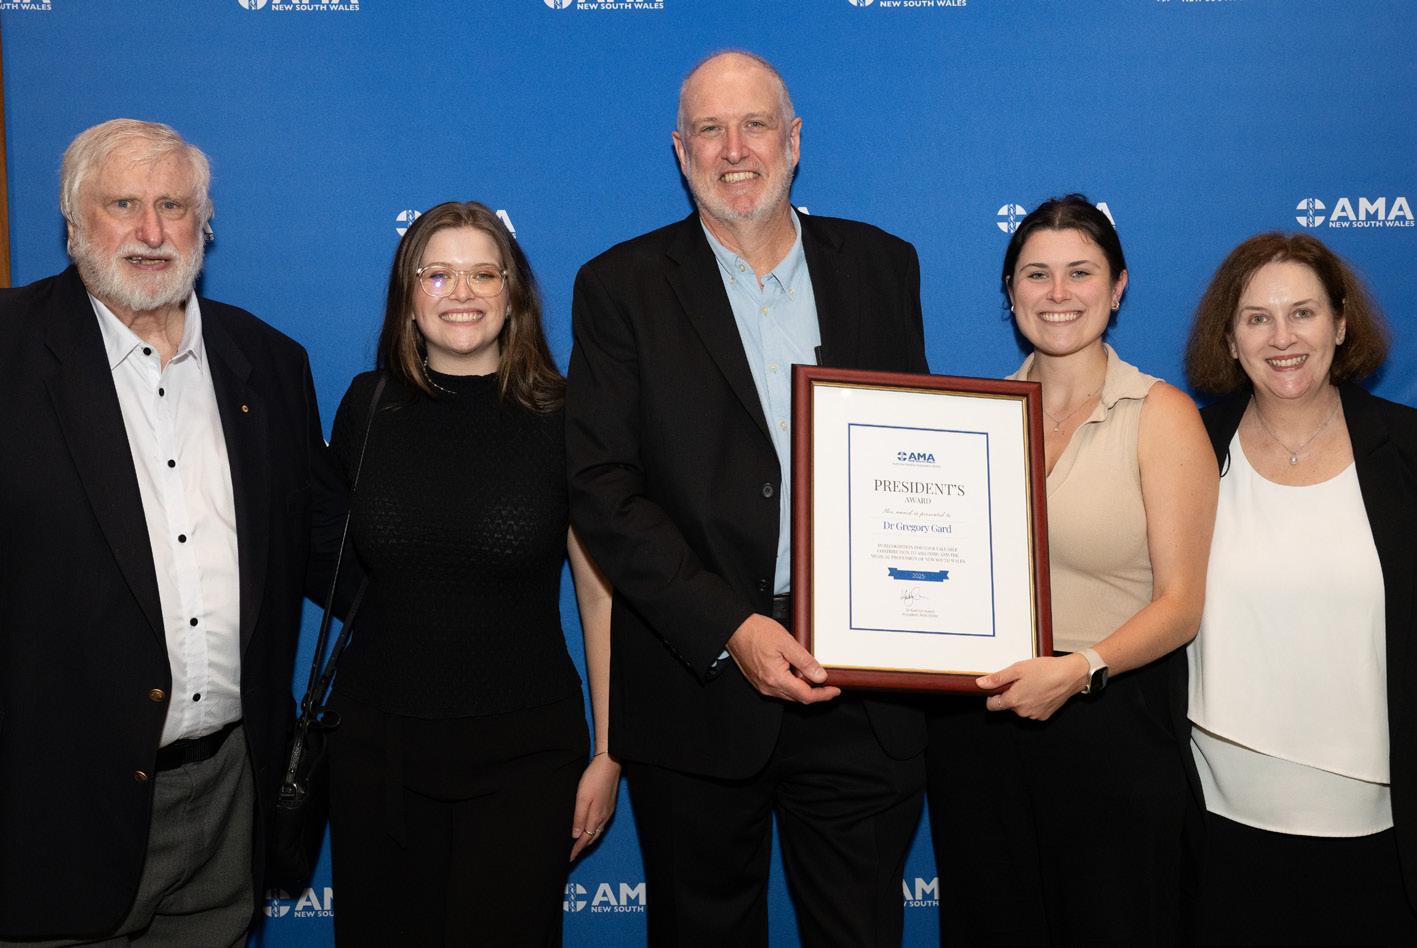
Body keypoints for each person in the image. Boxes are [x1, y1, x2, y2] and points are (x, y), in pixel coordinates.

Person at [565, 50, 929, 947]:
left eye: (754, 125)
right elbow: (602, 489)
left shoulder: (882, 266)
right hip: (695, 685)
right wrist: (730, 626)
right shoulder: (619, 286)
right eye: (709, 130)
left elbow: (912, 454)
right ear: (680, 150)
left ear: (792, 141)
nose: (734, 150)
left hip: (860, 687)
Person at [0, 119, 342, 946]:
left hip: (228, 796)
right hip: (49, 815)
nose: (151, 232)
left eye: (174, 206)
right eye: (123, 204)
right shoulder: (9, 351)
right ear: (73, 223)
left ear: (205, 224)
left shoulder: (270, 361)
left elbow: (328, 550)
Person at [324, 200, 617, 947]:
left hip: (524, 758)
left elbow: (598, 596)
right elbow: (327, 558)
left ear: (513, 294)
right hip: (378, 755)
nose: (462, 293)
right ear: (409, 295)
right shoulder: (366, 406)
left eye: (484, 274)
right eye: (438, 274)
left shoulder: (565, 415)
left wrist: (609, 752)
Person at [926, 195, 1217, 946]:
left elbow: (1182, 604)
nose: (1057, 293)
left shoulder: (1160, 414)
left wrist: (1080, 669)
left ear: (1117, 288)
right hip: (981, 725)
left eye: (1080, 272)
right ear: (1010, 292)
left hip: (1108, 718)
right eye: (1036, 274)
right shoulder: (972, 416)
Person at [1182, 232, 1417, 945]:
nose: (1281, 338)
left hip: (1379, 831)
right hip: (1217, 824)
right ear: (1229, 339)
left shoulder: (1406, 449)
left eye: (1303, 313)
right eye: (1256, 318)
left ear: (1340, 324)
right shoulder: (1186, 445)